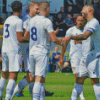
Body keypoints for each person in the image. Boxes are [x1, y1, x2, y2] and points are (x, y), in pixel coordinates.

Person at [24, 1, 65, 100]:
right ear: (47, 9)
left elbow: (26, 36)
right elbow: (54, 39)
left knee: (40, 79)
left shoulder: (31, 20)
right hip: (41, 53)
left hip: (32, 52)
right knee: (38, 79)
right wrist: (63, 43)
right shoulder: (47, 21)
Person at [60, 5, 100, 100]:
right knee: (79, 79)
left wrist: (71, 37)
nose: (82, 10)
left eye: (84, 8)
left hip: (93, 56)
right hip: (85, 57)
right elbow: (88, 39)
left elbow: (85, 36)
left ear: (89, 10)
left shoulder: (94, 22)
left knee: (94, 81)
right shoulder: (88, 24)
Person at [11, 1, 40, 99]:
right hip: (27, 50)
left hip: (32, 50)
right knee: (31, 77)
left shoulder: (35, 19)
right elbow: (23, 37)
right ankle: (10, 96)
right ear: (30, 8)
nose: (38, 11)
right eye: (36, 9)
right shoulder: (25, 20)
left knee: (33, 77)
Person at [0, 1, 28, 100]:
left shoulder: (7, 19)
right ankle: (7, 98)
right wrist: (30, 39)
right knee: (13, 76)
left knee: (4, 75)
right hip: (13, 50)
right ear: (21, 10)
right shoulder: (18, 21)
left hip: (5, 49)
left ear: (12, 9)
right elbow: (20, 38)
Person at [65, 15, 86, 100]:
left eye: (82, 20)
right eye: (78, 20)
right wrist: (62, 55)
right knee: (77, 76)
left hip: (84, 57)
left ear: (84, 21)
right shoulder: (71, 30)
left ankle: (75, 95)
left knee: (81, 77)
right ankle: (81, 96)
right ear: (76, 21)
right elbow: (65, 43)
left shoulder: (86, 31)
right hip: (74, 57)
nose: (80, 22)